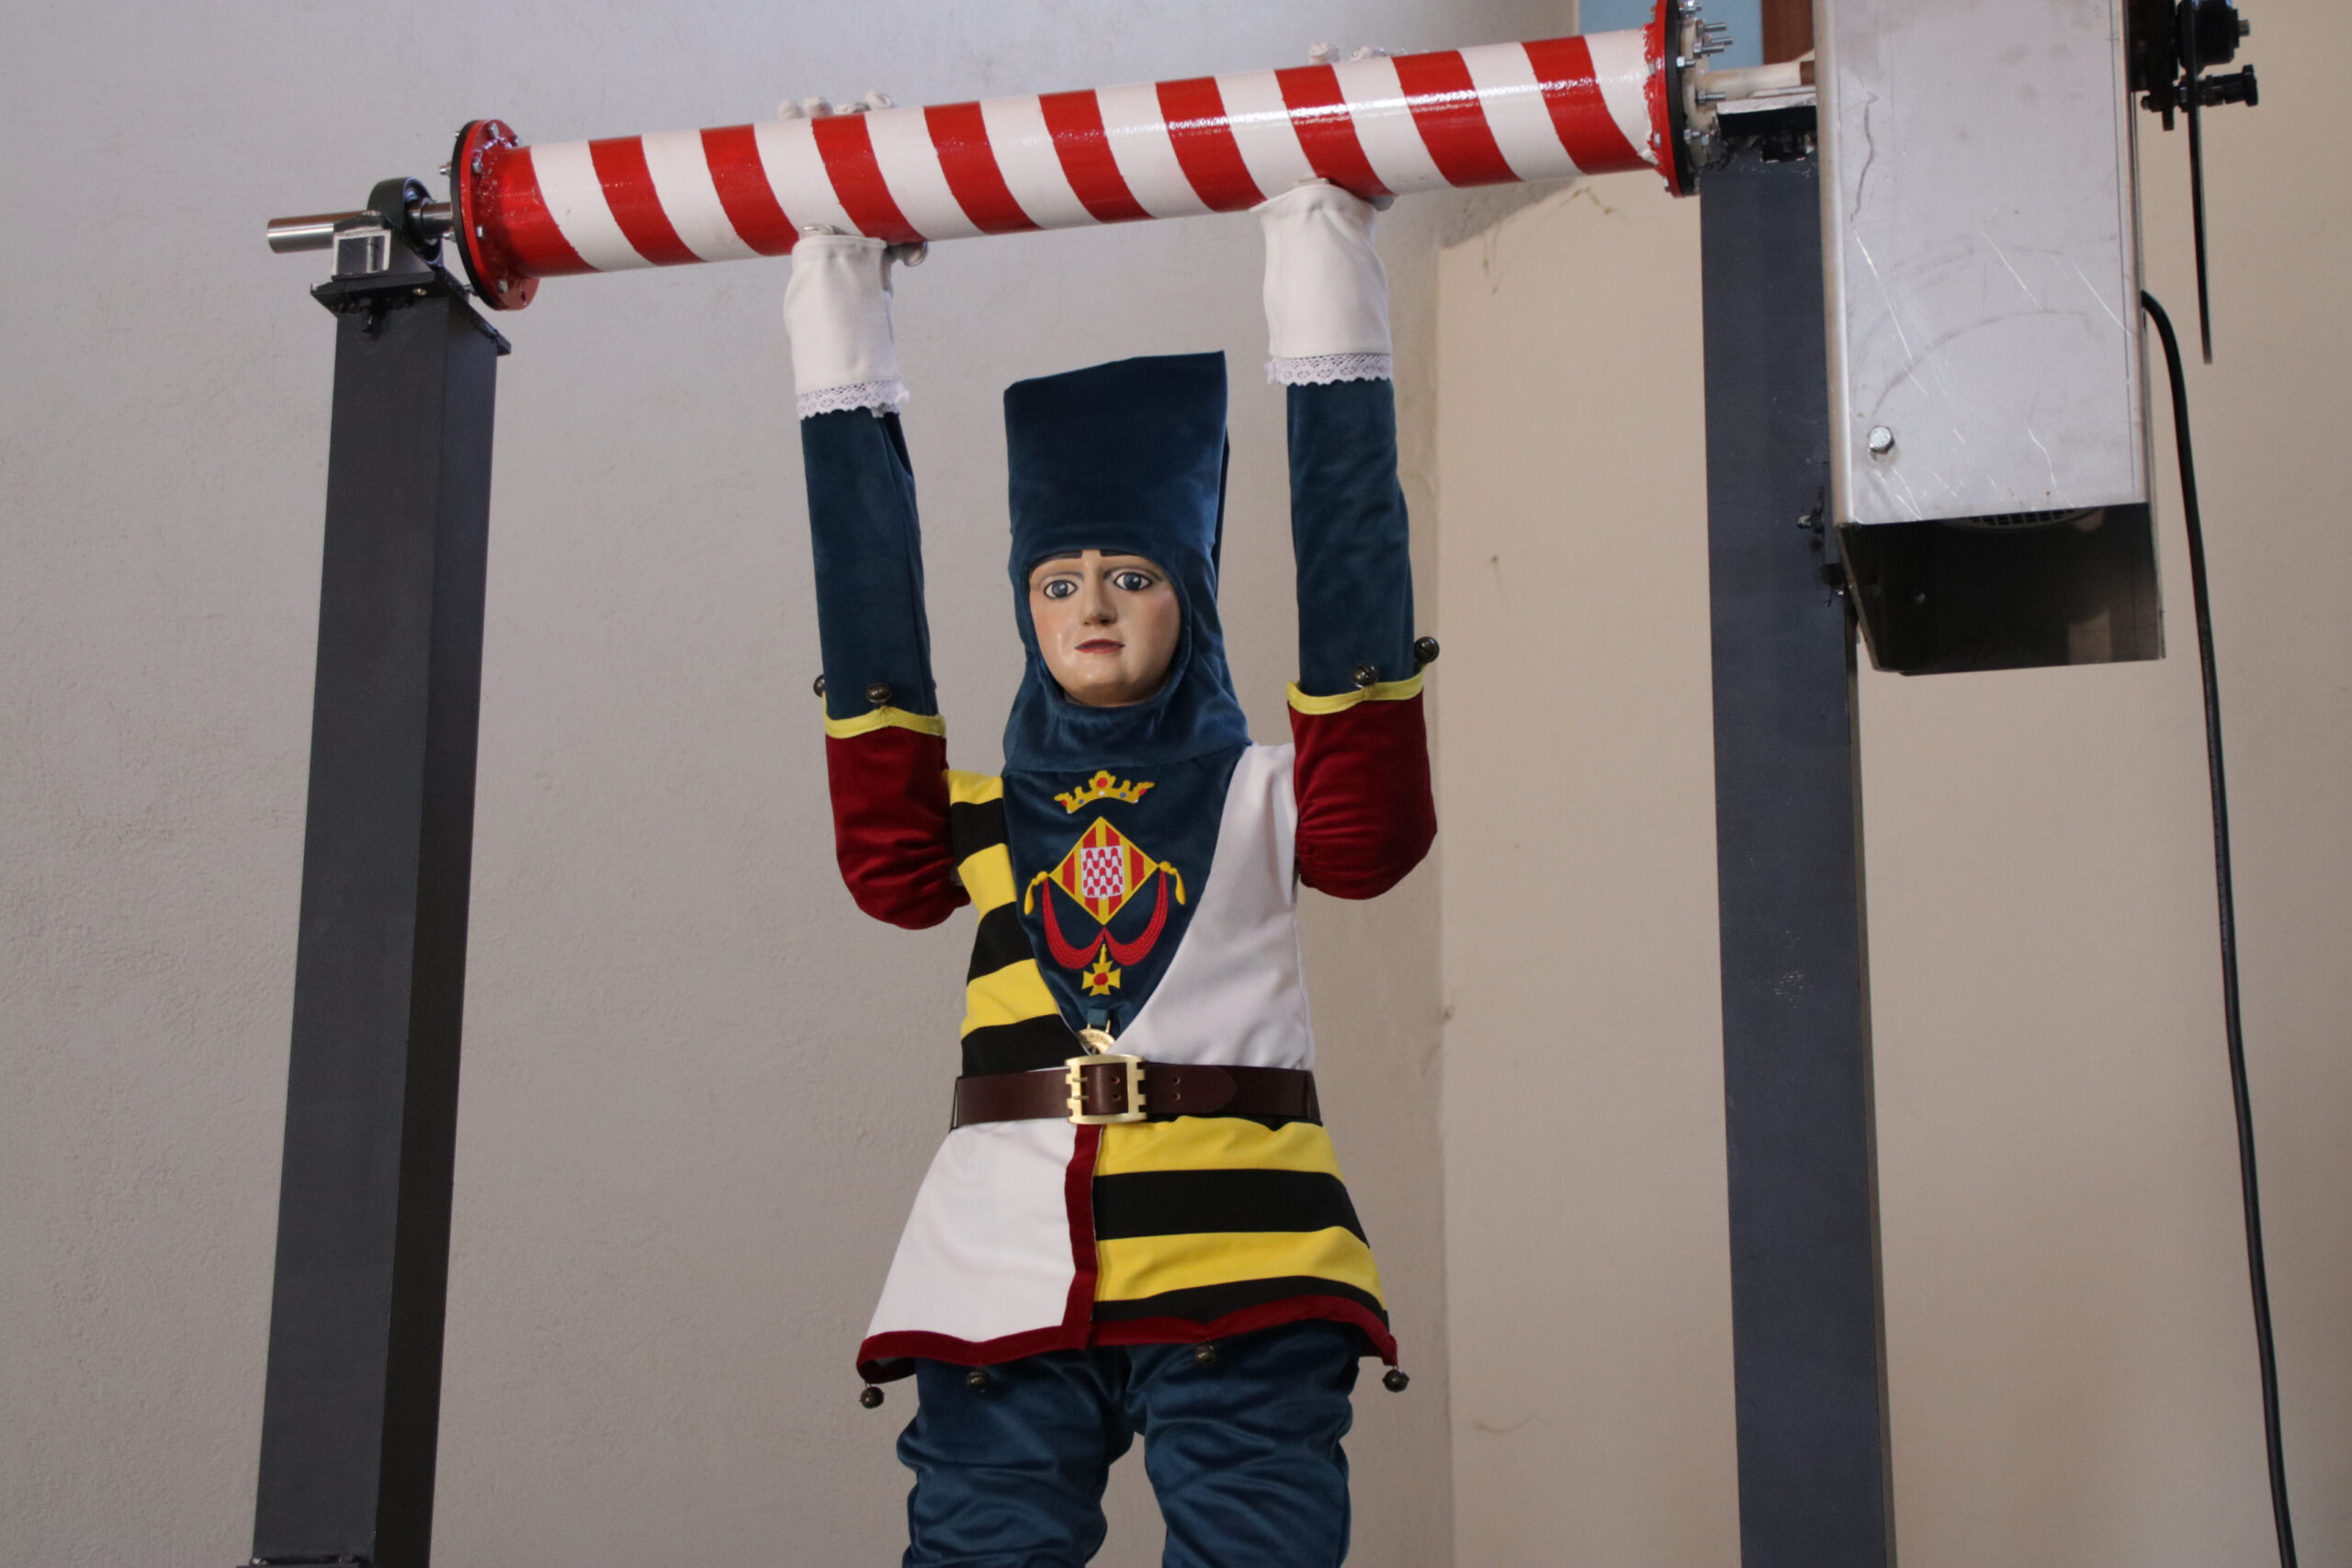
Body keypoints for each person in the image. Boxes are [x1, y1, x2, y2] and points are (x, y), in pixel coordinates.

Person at [785, 181, 1436, 1568]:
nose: (1089, 605)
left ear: (1188, 596)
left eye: (1131, 576)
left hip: (1247, 1270)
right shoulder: (978, 817)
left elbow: (1371, 814)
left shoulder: (1270, 794)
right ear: (1024, 609)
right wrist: (838, 323)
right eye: (1056, 581)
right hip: (1000, 1273)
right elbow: (887, 848)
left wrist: (1322, 275)